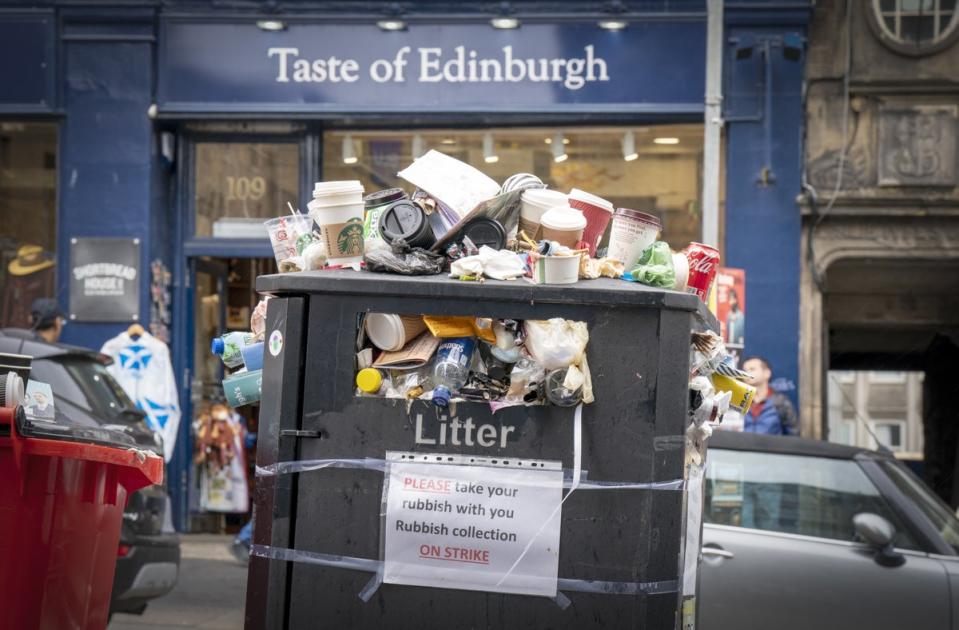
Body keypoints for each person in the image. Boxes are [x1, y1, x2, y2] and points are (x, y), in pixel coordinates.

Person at [742, 356, 798, 435]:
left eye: (752, 369)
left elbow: (794, 434)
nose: (746, 373)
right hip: (740, 446)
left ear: (767, 373)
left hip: (771, 447)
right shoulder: (737, 401)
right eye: (745, 370)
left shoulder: (781, 402)